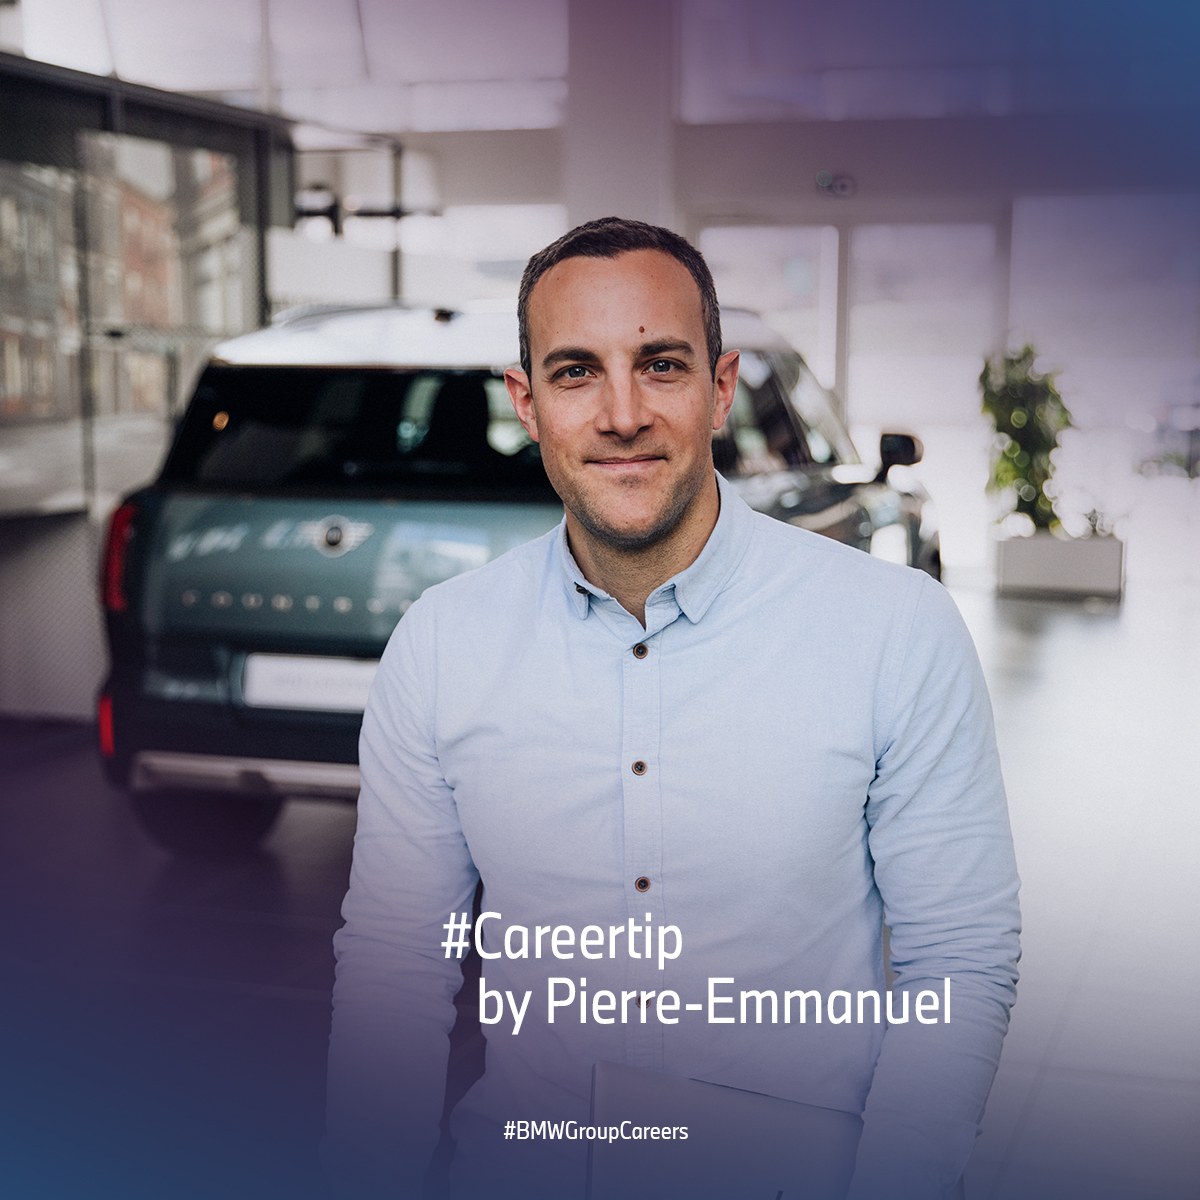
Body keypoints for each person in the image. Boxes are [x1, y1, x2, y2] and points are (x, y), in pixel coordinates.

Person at [324, 217, 1021, 1200]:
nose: (621, 414)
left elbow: (959, 958)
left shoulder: (893, 630)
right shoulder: (442, 646)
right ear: (526, 401)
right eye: (575, 372)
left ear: (720, 385)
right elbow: (397, 964)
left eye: (659, 365)